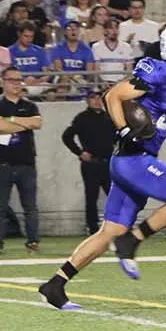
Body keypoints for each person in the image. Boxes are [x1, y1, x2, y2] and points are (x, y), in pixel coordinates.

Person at [38, 23, 166, 310]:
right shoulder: (159, 70)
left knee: (109, 232)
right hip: (132, 158)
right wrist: (124, 129)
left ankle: (56, 284)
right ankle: (133, 240)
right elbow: (113, 95)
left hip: (137, 161)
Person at [0, 66, 41, 255]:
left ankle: (33, 241)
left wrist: (9, 120)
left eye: (19, 80)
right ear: (3, 82)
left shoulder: (30, 105)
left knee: (30, 207)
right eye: (12, 80)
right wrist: (24, 124)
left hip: (27, 163)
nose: (17, 84)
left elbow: (37, 123)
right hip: (3, 163)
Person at [61, 90, 115, 235]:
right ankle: (92, 227)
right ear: (87, 100)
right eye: (93, 98)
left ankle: (117, 225)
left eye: (99, 98)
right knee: (91, 196)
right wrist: (79, 152)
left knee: (114, 196)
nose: (97, 101)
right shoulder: (82, 118)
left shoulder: (109, 117)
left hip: (109, 162)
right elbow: (67, 136)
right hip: (91, 163)